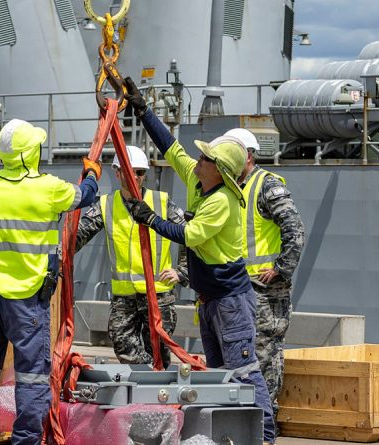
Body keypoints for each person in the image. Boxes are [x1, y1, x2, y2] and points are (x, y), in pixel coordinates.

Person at [122, 78, 276, 444]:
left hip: (230, 302)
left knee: (244, 372)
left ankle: (265, 436)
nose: (198, 161)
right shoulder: (201, 181)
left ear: (219, 169)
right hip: (211, 302)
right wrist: (143, 111)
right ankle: (230, 435)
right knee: (219, 375)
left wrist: (150, 219)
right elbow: (171, 147)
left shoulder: (222, 201)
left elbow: (188, 236)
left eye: (206, 158)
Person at [0, 119, 101, 445]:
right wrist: (92, 172)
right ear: (27, 154)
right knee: (32, 379)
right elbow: (86, 197)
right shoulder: (47, 188)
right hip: (27, 301)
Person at [76, 145, 188, 369]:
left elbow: (190, 236)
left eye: (139, 172)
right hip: (124, 297)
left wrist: (181, 271)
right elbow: (76, 237)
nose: (135, 177)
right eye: (129, 171)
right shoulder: (106, 205)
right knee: (122, 343)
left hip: (158, 295)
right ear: (117, 173)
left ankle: (157, 396)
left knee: (159, 352)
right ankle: (149, 380)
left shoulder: (162, 203)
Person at [228, 128, 305, 421]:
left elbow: (294, 229)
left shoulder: (265, 185)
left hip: (265, 292)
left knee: (265, 356)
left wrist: (281, 269)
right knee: (244, 356)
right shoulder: (234, 186)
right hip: (239, 289)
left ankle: (265, 422)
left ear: (247, 156)